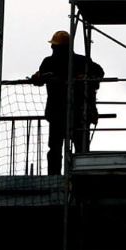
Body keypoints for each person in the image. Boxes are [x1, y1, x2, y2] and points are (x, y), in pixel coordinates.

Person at [31, 30, 105, 176]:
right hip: (73, 112)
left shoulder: (52, 62)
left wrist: (86, 76)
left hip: (66, 112)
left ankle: (57, 176)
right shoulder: (79, 61)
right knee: (77, 148)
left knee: (59, 148)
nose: (53, 49)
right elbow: (99, 72)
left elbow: (99, 73)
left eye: (54, 46)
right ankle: (81, 174)